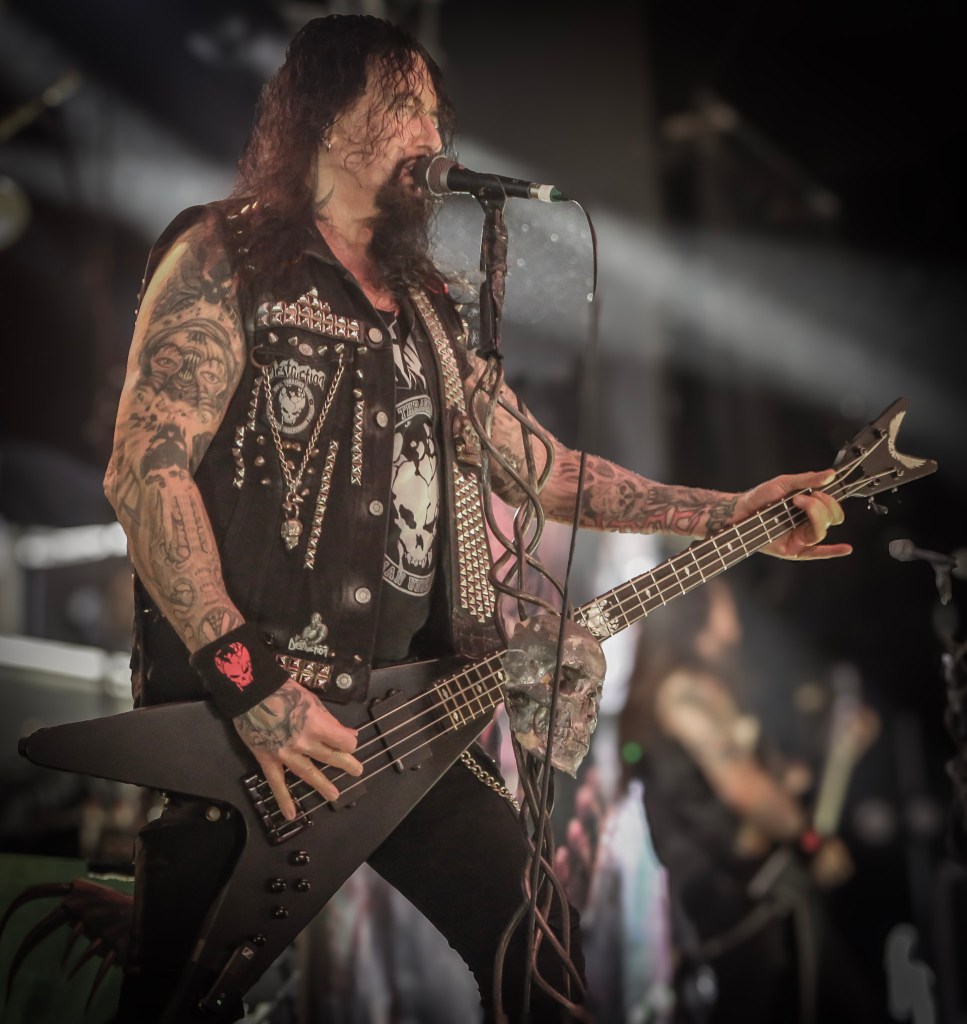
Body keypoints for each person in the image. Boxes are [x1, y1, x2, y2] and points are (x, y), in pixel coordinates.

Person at [102, 14, 850, 1022]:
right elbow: (144, 471)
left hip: (409, 721)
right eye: (402, 104)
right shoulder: (223, 255)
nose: (431, 133)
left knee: (538, 955)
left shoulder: (428, 309)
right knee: (173, 995)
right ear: (326, 116)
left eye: (435, 111)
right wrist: (249, 682)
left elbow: (547, 473)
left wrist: (735, 511)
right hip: (246, 721)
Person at [618, 580, 875, 1023]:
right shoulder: (680, 692)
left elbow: (764, 779)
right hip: (729, 898)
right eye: (725, 609)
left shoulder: (704, 684)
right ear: (694, 619)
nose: (734, 623)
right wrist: (810, 842)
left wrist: (832, 750)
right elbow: (743, 788)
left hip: (754, 888)